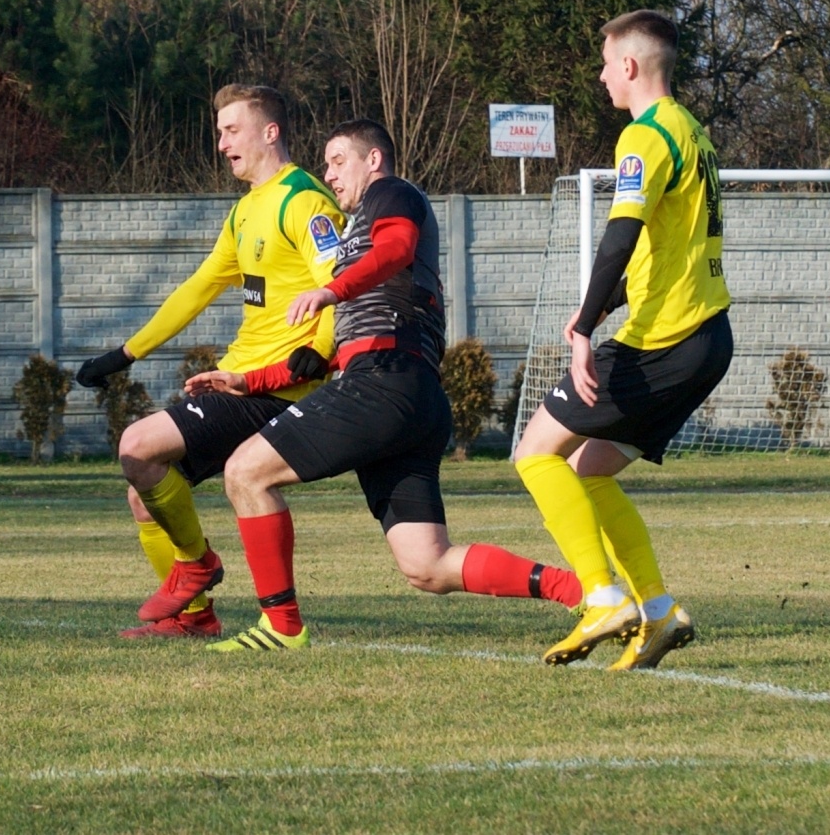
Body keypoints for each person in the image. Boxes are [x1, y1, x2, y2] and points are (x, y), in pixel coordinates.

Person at [187, 118, 582, 652]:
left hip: (385, 382)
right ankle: (584, 590)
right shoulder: (355, 235)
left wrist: (330, 292)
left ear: (373, 159)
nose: (328, 174)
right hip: (411, 396)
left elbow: (396, 250)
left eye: (337, 161)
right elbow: (324, 357)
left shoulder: (392, 194)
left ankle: (281, 628)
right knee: (428, 565)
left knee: (245, 473)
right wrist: (247, 381)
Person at [74, 84, 342, 639]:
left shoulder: (305, 201)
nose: (221, 143)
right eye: (219, 131)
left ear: (270, 132)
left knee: (137, 447)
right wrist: (126, 353)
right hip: (237, 379)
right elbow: (198, 288)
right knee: (144, 497)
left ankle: (197, 566)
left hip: (274, 388)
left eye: (231, 130)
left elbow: (340, 289)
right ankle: (195, 619)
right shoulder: (246, 212)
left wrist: (313, 357)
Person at [511, 10, 732, 671]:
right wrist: (596, 309)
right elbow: (653, 259)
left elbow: (622, 233)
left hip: (664, 339)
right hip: (706, 337)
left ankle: (604, 595)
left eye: (606, 63)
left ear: (631, 66)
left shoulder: (644, 135)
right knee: (590, 469)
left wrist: (581, 328)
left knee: (535, 452)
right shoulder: (692, 132)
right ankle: (659, 610)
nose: (603, 74)